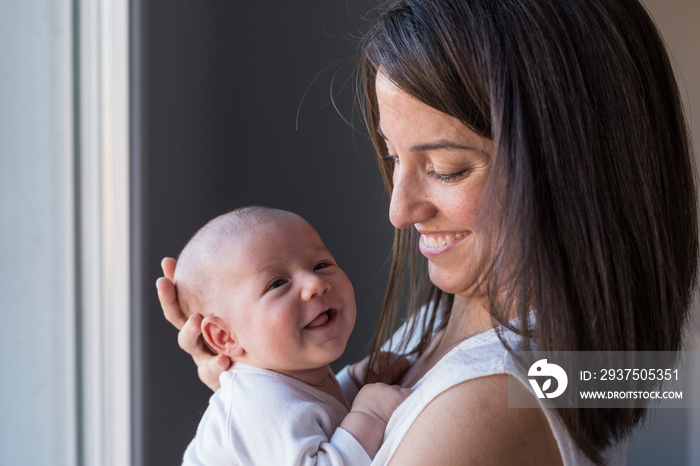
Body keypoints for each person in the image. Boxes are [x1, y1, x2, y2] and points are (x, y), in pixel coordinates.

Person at [157, 0, 698, 464]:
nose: (399, 210)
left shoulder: (485, 402)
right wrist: (259, 397)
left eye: (446, 169)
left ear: (572, 164)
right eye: (393, 157)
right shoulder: (454, 322)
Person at [173, 206, 411, 465]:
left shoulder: (288, 379)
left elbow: (309, 417)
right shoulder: (256, 404)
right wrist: (370, 415)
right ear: (224, 337)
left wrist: (353, 384)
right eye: (277, 283)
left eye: (321, 265)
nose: (315, 284)